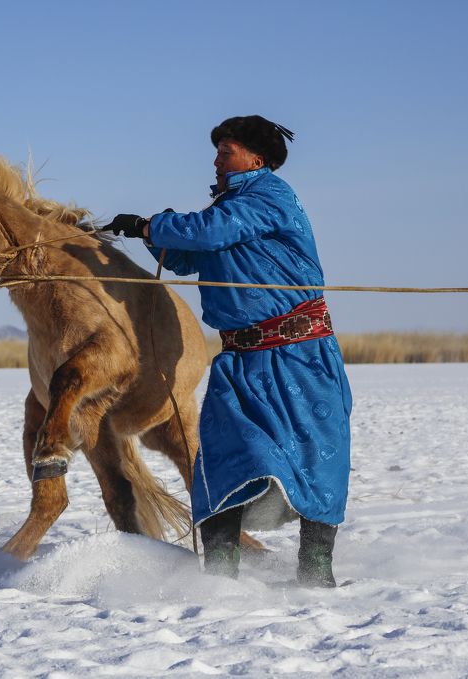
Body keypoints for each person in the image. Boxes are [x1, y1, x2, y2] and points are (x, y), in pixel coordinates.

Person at [103, 115, 353, 586]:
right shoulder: (227, 209)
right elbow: (190, 250)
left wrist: (151, 223)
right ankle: (218, 582)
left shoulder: (268, 197)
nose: (217, 159)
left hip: (300, 357)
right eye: (217, 151)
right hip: (240, 361)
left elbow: (208, 232)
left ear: (256, 159)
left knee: (316, 459)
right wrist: (143, 234)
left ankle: (316, 576)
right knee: (221, 463)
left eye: (226, 151)